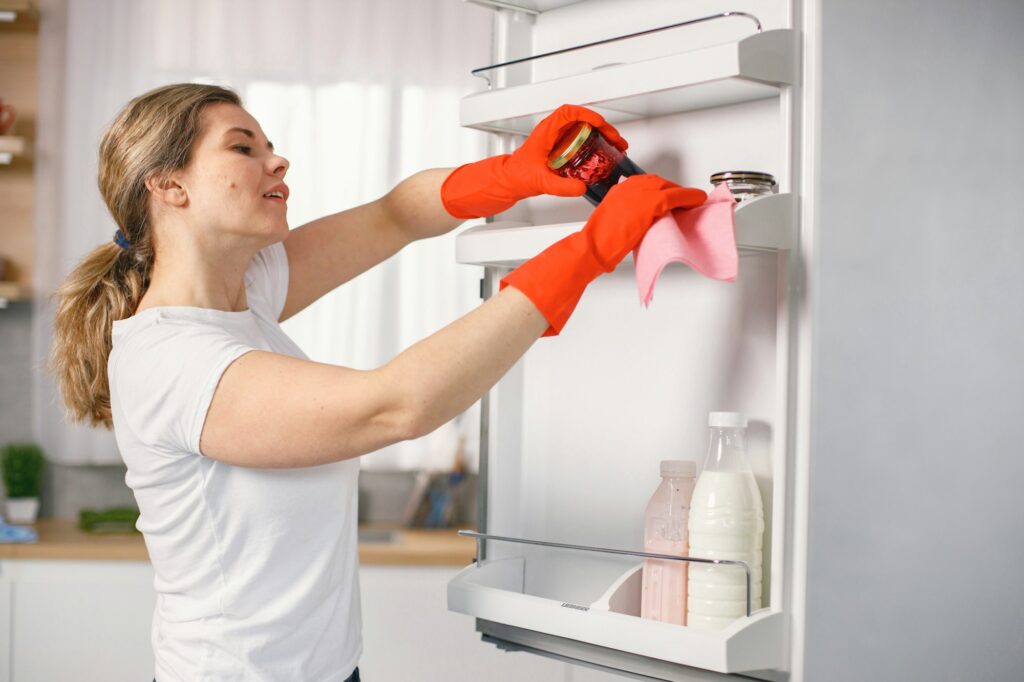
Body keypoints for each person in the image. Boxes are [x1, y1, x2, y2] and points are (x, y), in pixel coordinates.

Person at [48, 83, 706, 682]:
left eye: (271, 147)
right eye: (243, 147)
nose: (277, 162)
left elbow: (397, 215)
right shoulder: (169, 358)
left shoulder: (244, 297)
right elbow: (394, 407)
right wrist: (587, 251)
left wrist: (517, 172)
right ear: (167, 186)